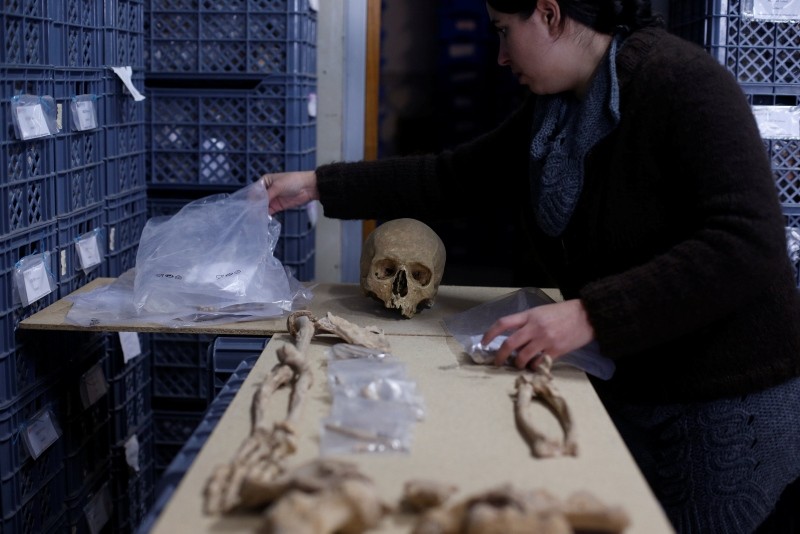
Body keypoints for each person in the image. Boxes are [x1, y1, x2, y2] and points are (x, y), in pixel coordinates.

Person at [260, 1, 800, 532]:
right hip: (635, 378)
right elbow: (453, 177)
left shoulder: (683, 83)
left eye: (502, 30)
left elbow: (746, 242)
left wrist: (590, 315)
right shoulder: (561, 106)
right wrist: (314, 186)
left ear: (549, 13)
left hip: (721, 401)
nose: (499, 55)